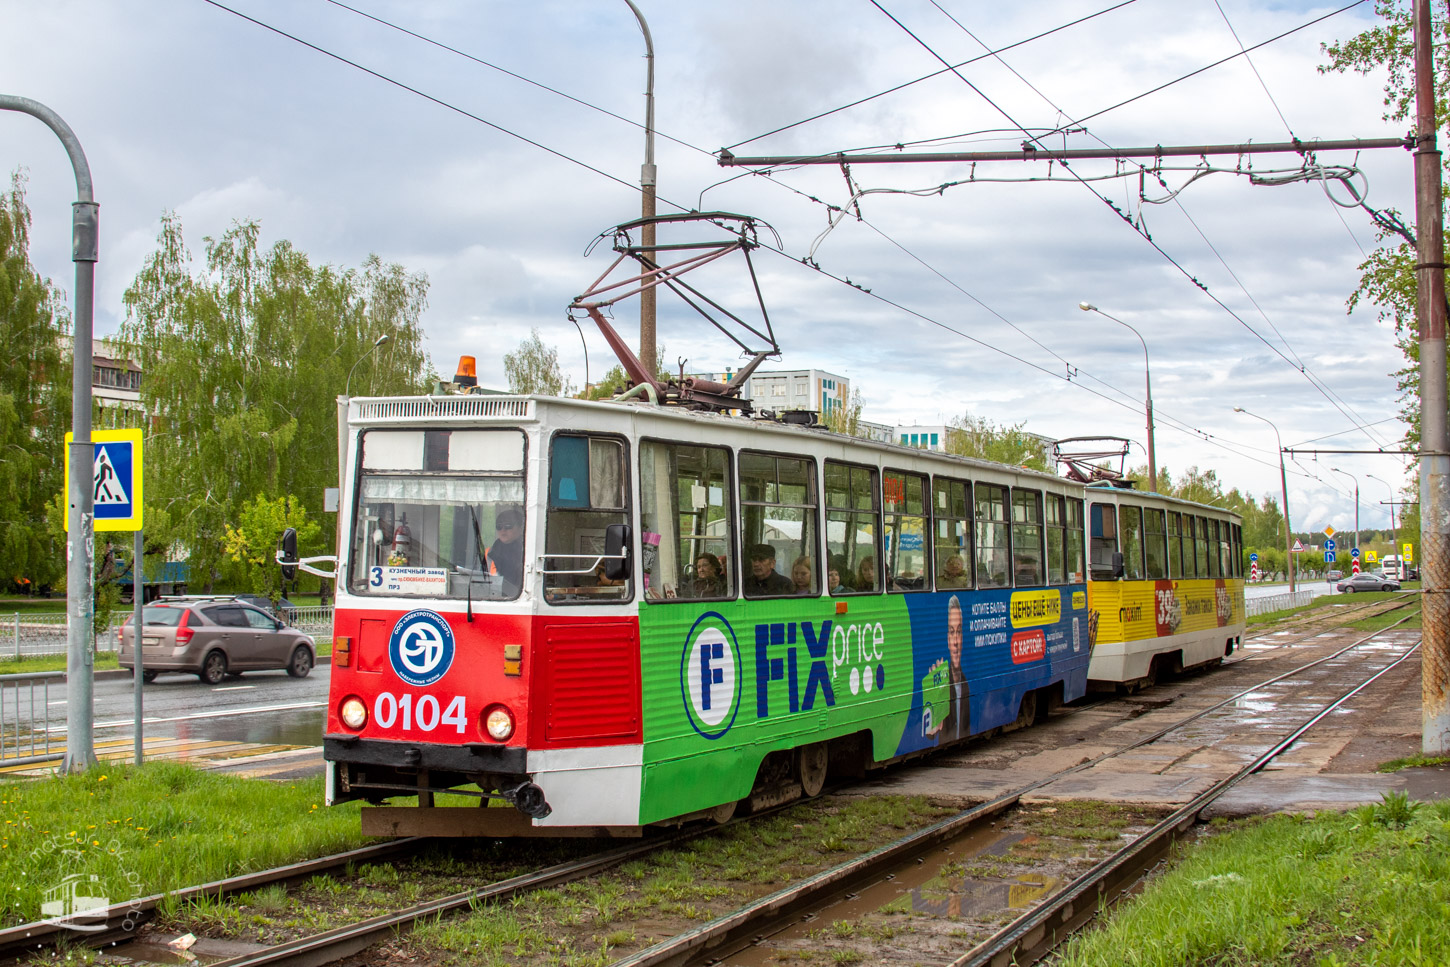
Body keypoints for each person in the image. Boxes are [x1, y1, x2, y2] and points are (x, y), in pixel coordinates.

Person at [938, 595, 969, 742]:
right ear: (947, 638)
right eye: (951, 632)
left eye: (959, 631)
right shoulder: (940, 683)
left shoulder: (966, 684)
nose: (956, 641)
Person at [487, 507, 525, 590]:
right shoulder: (489, 552)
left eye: (508, 526)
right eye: (499, 526)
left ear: (520, 528)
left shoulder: (526, 551)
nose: (503, 530)